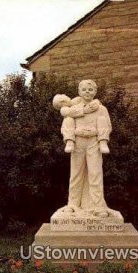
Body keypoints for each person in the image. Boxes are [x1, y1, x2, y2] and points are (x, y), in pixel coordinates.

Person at [53, 80, 112, 217]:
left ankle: (98, 206)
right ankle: (73, 204)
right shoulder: (72, 110)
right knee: (76, 174)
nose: (87, 92)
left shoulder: (101, 109)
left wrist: (100, 136)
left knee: (95, 174)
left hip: (94, 142)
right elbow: (65, 119)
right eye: (84, 90)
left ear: (95, 92)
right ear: (79, 92)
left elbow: (108, 125)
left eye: (90, 90)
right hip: (77, 142)